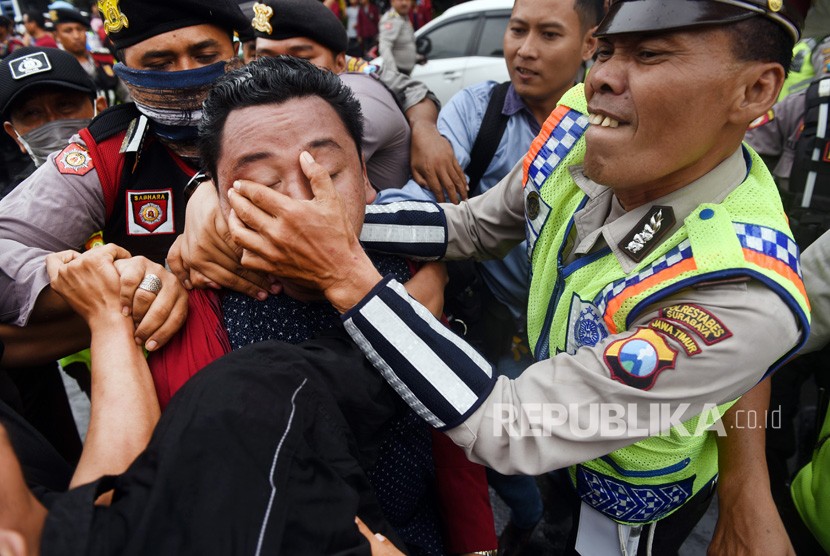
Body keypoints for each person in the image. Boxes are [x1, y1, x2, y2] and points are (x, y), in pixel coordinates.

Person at [223, 0, 810, 553]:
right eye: (606, 51)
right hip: (549, 448)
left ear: (755, 90)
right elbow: (476, 225)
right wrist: (304, 216)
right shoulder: (583, 117)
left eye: (651, 55)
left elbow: (510, 426)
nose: (602, 77)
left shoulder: (740, 284)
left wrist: (342, 271)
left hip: (625, 508)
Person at [153, 55, 495, 556]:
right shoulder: (195, 313)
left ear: (364, 174)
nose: (304, 203)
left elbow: (459, 456)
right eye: (266, 186)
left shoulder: (412, 268)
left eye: (328, 172)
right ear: (218, 200)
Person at [378, 0, 603, 551]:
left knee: (581, 463)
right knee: (492, 441)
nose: (524, 50)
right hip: (501, 325)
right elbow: (420, 211)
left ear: (590, 46)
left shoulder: (608, 124)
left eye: (549, 34)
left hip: (588, 335)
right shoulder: (476, 114)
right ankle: (531, 522)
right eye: (517, 30)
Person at [0, 0, 252, 358]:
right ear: (126, 72)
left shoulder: (290, 117)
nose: (184, 74)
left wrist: (213, 194)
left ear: (237, 51)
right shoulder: (106, 153)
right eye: (159, 64)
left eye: (204, 55)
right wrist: (115, 280)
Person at [251, 0, 411, 190]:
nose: (280, 71)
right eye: (266, 59)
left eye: (301, 59)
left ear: (340, 63)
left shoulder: (359, 100)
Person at [1, 46, 106, 197]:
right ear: (15, 136)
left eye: (65, 105)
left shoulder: (142, 171)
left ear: (100, 109)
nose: (53, 123)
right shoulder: (13, 212)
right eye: (31, 113)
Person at [49, 6, 128, 106]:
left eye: (80, 29)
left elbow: (125, 93)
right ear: (56, 36)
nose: (76, 36)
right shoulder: (58, 66)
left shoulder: (102, 55)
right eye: (68, 31)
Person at [378, 0, 417, 75]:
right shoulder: (391, 18)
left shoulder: (403, 16)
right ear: (392, 2)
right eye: (400, 0)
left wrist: (416, 57)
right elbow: (384, 47)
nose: (404, 3)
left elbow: (403, 44)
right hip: (398, 74)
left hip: (404, 73)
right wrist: (394, 74)